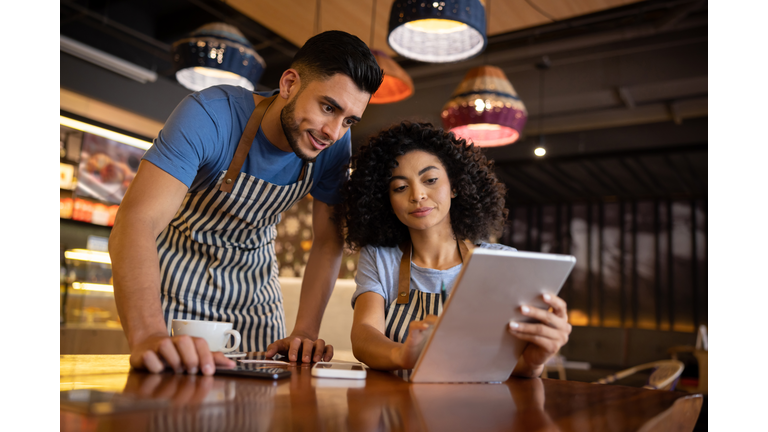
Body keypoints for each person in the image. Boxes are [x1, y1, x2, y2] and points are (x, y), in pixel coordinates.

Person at [109, 30, 384, 376]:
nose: (333, 132)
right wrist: (149, 333)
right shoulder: (209, 116)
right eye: (328, 107)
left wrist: (304, 333)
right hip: (177, 287)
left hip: (255, 295)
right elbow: (136, 221)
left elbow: (328, 241)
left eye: (348, 121)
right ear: (289, 84)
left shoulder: (333, 150)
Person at [339, 121, 572, 378]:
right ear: (386, 200)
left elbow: (509, 363)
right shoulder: (379, 257)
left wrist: (533, 362)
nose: (417, 195)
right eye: (400, 187)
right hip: (400, 410)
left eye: (430, 180)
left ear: (456, 186)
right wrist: (403, 355)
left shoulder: (501, 261)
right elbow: (363, 334)